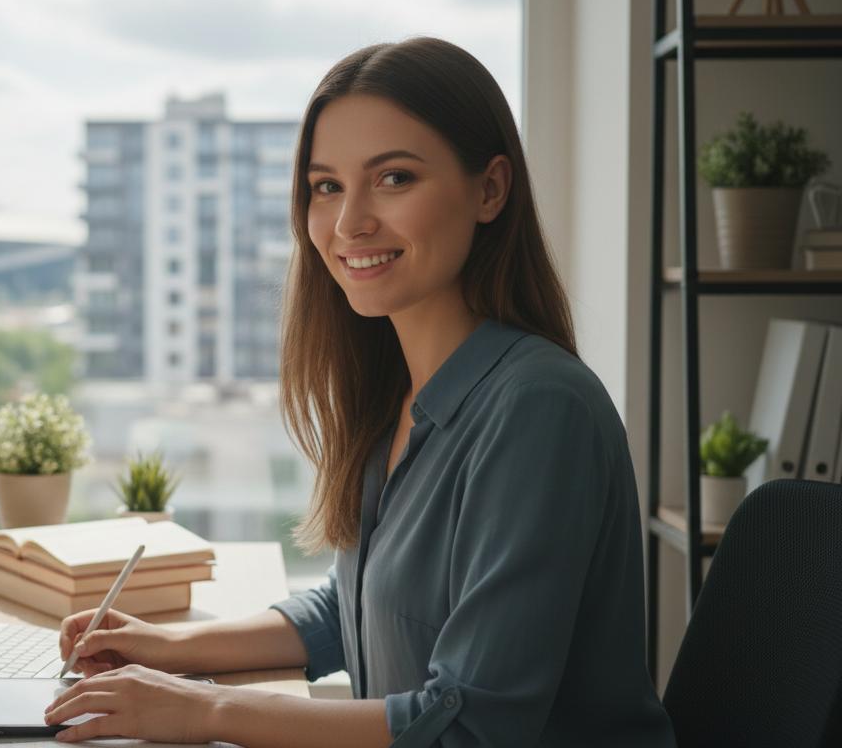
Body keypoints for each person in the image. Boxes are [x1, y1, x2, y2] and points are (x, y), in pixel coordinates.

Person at [43, 37, 676, 747]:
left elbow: (470, 724)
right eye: (326, 186)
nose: (349, 223)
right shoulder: (397, 398)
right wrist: (172, 651)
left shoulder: (537, 410)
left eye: (395, 178)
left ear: (490, 189)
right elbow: (358, 605)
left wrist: (205, 712)